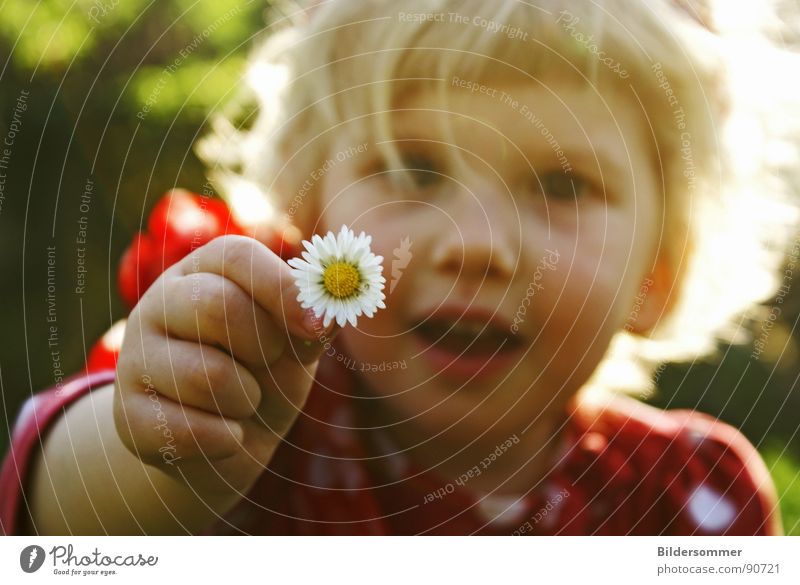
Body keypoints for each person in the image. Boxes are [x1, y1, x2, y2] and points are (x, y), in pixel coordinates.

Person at [2, 0, 798, 535]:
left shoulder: (696, 498)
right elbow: (58, 517)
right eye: (413, 169)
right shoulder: (259, 415)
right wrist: (169, 446)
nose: (476, 244)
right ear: (309, 213)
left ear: (658, 271)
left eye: (563, 185)